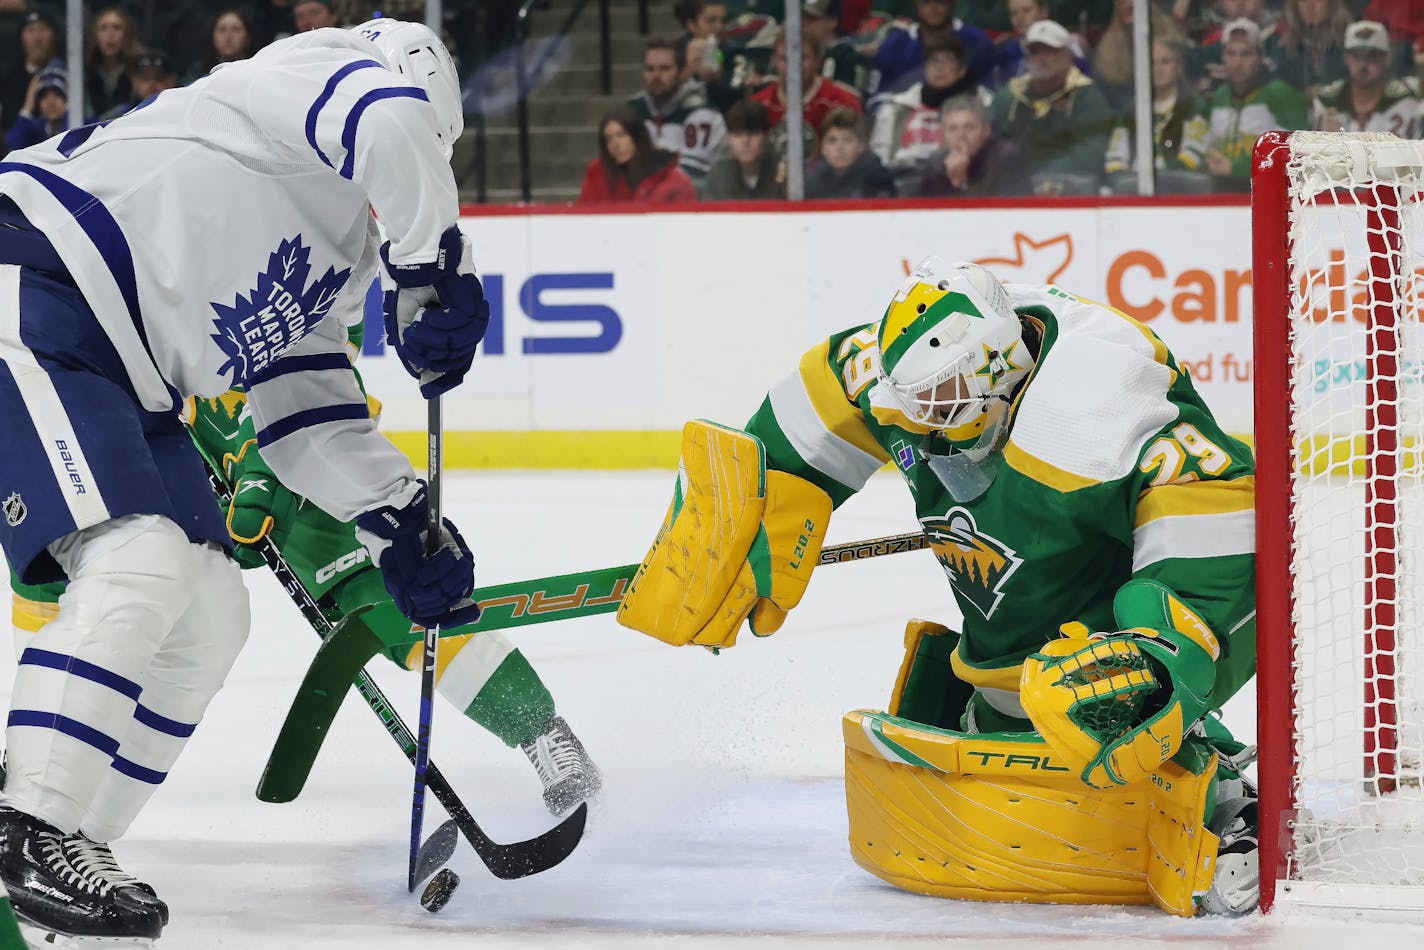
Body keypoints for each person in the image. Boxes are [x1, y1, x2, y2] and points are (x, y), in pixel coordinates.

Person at [0, 18, 488, 945]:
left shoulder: (339, 255)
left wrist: (396, 517)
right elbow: (387, 125)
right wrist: (432, 269)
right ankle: (27, 825)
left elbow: (306, 416)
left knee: (212, 606)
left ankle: (75, 837)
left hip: (125, 374)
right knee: (137, 559)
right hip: (31, 281)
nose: (417, 173)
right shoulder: (297, 79)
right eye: (432, 147)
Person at [615, 257, 1259, 916]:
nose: (921, 426)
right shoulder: (917, 376)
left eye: (942, 404)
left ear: (1001, 371)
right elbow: (833, 387)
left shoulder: (1106, 399)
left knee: (1118, 703)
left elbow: (1215, 500)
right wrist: (760, 496)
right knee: (1003, 698)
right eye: (910, 406)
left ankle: (1214, 777)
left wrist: (1161, 652)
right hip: (998, 667)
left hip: (1090, 645)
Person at [1179, 18, 1309, 193]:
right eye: (1231, 53)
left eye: (1246, 54)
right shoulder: (1218, 97)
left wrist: (1236, 169)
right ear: (1222, 57)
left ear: (1260, 57)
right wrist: (1207, 160)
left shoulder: (1281, 94)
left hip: (1271, 195)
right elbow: (1200, 144)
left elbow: (1296, 152)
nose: (1237, 62)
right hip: (1221, 193)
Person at [988, 18, 1114, 195]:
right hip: (1012, 190)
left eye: (1051, 51)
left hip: (1070, 193)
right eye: (1035, 51)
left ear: (1067, 55)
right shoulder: (1009, 95)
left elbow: (1088, 155)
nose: (1042, 58)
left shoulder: (1087, 97)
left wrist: (1033, 177)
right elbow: (989, 140)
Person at [869, 36, 989, 196]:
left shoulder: (984, 104)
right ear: (925, 68)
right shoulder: (897, 108)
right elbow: (880, 156)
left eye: (948, 61)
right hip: (902, 185)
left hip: (961, 182)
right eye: (934, 61)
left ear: (961, 70)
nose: (940, 68)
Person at [1104, 37, 1207, 192]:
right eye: (1151, 63)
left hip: (1178, 192)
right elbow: (1114, 160)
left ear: (1179, 67)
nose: (1157, 69)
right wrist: (1127, 183)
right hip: (1133, 190)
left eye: (1165, 62)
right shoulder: (1131, 109)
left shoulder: (1194, 107)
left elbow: (1192, 157)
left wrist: (1157, 182)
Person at [627, 39, 727, 193]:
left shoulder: (702, 113)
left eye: (665, 68)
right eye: (650, 69)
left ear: (682, 72)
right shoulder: (632, 110)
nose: (656, 75)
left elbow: (693, 176)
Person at [751, 29, 864, 155]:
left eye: (802, 58)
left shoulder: (842, 103)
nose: (793, 66)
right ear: (774, 61)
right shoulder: (758, 104)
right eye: (784, 59)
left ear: (818, 61)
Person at [1311, 19, 1420, 137]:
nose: (1363, 64)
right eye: (1357, 56)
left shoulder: (1405, 99)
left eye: (1373, 56)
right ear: (1346, 57)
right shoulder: (1326, 100)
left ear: (1387, 58)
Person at [576, 105, 698, 205]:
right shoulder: (598, 173)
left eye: (622, 135)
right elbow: (582, 216)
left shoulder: (672, 178)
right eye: (609, 139)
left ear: (637, 136)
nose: (616, 144)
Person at [868, 0, 992, 97]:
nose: (933, 8)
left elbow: (990, 91)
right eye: (926, 1)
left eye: (940, 1)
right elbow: (876, 97)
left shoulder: (977, 41)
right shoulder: (893, 46)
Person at [915, 94, 1022, 197]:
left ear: (986, 131)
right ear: (943, 134)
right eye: (952, 129)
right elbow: (928, 212)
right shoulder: (935, 165)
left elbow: (1002, 211)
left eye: (969, 127)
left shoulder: (1006, 158)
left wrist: (960, 182)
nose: (961, 136)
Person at [702, 97, 783, 201]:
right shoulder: (719, 172)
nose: (745, 141)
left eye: (753, 134)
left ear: (768, 135)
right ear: (728, 138)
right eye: (737, 134)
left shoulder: (782, 169)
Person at [804, 107, 895, 199]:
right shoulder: (813, 181)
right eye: (832, 141)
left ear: (861, 145)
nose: (839, 148)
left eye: (847, 140)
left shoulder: (878, 179)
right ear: (823, 148)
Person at [0, 9, 58, 134]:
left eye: (43, 29)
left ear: (53, 35)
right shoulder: (8, 81)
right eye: (31, 30)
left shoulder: (68, 75)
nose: (37, 38)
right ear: (21, 38)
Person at [84, 7, 139, 119]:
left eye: (117, 28)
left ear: (128, 33)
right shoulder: (86, 71)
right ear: (95, 35)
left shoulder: (139, 68)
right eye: (103, 28)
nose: (110, 35)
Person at [2, 62, 70, 152]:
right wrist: (28, 106)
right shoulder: (35, 129)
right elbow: (12, 146)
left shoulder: (86, 123)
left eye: (57, 95)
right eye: (44, 96)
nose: (51, 103)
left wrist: (71, 111)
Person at [98, 48, 176, 120]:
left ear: (172, 81)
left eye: (159, 78)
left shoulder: (183, 115)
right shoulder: (116, 119)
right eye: (145, 78)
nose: (151, 84)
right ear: (135, 81)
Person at [183, 8, 254, 85]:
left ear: (247, 38)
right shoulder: (197, 71)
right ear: (213, 37)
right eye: (222, 30)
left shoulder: (256, 68)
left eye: (236, 30)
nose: (228, 37)